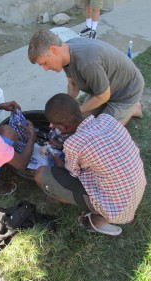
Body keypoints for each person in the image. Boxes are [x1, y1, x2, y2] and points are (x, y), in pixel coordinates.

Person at [34, 93, 147, 236]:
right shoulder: (107, 119)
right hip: (135, 191)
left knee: (41, 174)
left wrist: (56, 158)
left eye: (54, 124)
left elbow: (71, 173)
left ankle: (97, 218)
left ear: (64, 127)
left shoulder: (74, 143)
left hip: (115, 209)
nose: (50, 126)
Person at [28, 29, 144, 126]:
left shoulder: (86, 62)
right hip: (103, 87)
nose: (45, 69)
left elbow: (103, 95)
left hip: (125, 92)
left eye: (44, 63)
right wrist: (66, 110)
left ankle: (132, 108)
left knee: (100, 134)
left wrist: (76, 112)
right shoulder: (65, 54)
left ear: (53, 50)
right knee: (81, 122)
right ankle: (122, 111)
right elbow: (73, 84)